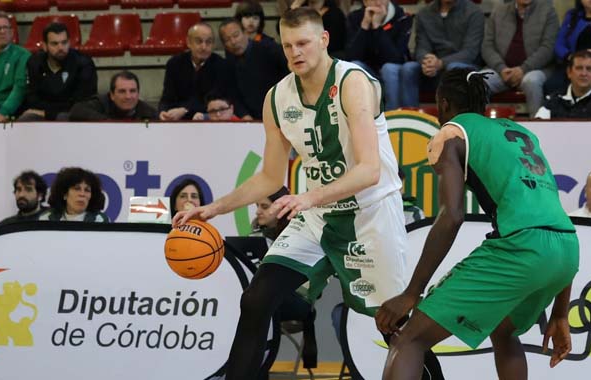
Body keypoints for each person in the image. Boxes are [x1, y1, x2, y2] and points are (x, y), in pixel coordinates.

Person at [174, 8, 441, 379]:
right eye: (287, 45)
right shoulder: (277, 99)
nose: (295, 53)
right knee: (256, 298)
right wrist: (215, 208)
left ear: (324, 40)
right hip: (318, 218)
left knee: (395, 324)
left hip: (370, 214)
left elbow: (369, 169)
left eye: (302, 43)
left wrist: (308, 197)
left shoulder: (353, 83)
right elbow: (269, 176)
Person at [377, 69, 579, 379]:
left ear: (442, 105)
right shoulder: (520, 132)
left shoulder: (451, 133)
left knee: (410, 339)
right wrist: (561, 313)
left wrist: (411, 293)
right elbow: (552, 220)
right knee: (504, 331)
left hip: (521, 247)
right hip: (566, 251)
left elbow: (452, 215)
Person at [398, 0, 485, 108]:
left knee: (454, 68)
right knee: (408, 68)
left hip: (463, 66)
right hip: (433, 69)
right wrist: (426, 61)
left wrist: (441, 63)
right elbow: (421, 47)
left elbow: (470, 52)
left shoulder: (474, 12)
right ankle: (411, 118)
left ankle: (453, 119)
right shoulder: (424, 13)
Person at [481, 0, 559, 115]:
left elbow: (548, 48)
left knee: (531, 81)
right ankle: (478, 127)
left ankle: (537, 127)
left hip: (535, 69)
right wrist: (501, 68)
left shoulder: (548, 11)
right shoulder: (498, 11)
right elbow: (487, 46)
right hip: (502, 71)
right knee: (478, 81)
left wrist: (523, 69)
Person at [19, 22, 97, 121]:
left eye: (64, 42)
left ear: (69, 42)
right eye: (54, 44)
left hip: (72, 115)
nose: (60, 48)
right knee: (26, 118)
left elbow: (82, 103)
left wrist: (47, 113)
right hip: (41, 113)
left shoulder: (84, 64)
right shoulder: (34, 62)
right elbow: (32, 98)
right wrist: (45, 112)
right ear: (44, 46)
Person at [344, 0, 413, 110]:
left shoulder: (402, 17)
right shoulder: (355, 18)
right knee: (355, 65)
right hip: (369, 70)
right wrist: (364, 26)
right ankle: (361, 113)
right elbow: (350, 57)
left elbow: (395, 58)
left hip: (394, 70)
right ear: (365, 2)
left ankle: (393, 115)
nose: (378, 2)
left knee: (389, 68)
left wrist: (377, 27)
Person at [159, 23, 236, 121]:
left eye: (208, 42)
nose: (204, 47)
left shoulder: (222, 66)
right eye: (199, 41)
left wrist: (185, 110)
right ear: (188, 42)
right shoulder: (174, 64)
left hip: (210, 120)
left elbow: (215, 103)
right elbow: (167, 97)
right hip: (177, 121)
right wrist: (163, 111)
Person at [219, 19, 289, 120]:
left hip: (281, 112)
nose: (233, 42)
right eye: (227, 40)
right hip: (251, 120)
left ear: (245, 33)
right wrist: (244, 115)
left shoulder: (270, 50)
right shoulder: (227, 64)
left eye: (236, 35)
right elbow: (232, 94)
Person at [545, 0, 591, 93]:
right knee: (552, 85)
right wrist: (570, 56)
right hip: (572, 62)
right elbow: (559, 44)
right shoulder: (572, 15)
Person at [535, 50, 591, 119]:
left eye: (589, 69)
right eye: (579, 68)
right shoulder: (553, 99)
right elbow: (538, 128)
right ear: (569, 72)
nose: (583, 73)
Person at [69, 71, 158, 121]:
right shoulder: (102, 103)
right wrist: (110, 122)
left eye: (133, 91)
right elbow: (76, 110)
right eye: (122, 91)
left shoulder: (149, 112)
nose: (128, 96)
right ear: (112, 95)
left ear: (138, 93)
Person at [279, 0, 347, 56]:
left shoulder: (335, 14)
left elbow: (336, 44)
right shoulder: (299, 11)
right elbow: (281, 29)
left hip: (326, 54)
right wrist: (295, 5)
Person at [39, 167, 109, 222]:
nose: (82, 194)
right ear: (65, 194)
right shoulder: (48, 218)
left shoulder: (99, 220)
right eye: (77, 188)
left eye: (87, 190)